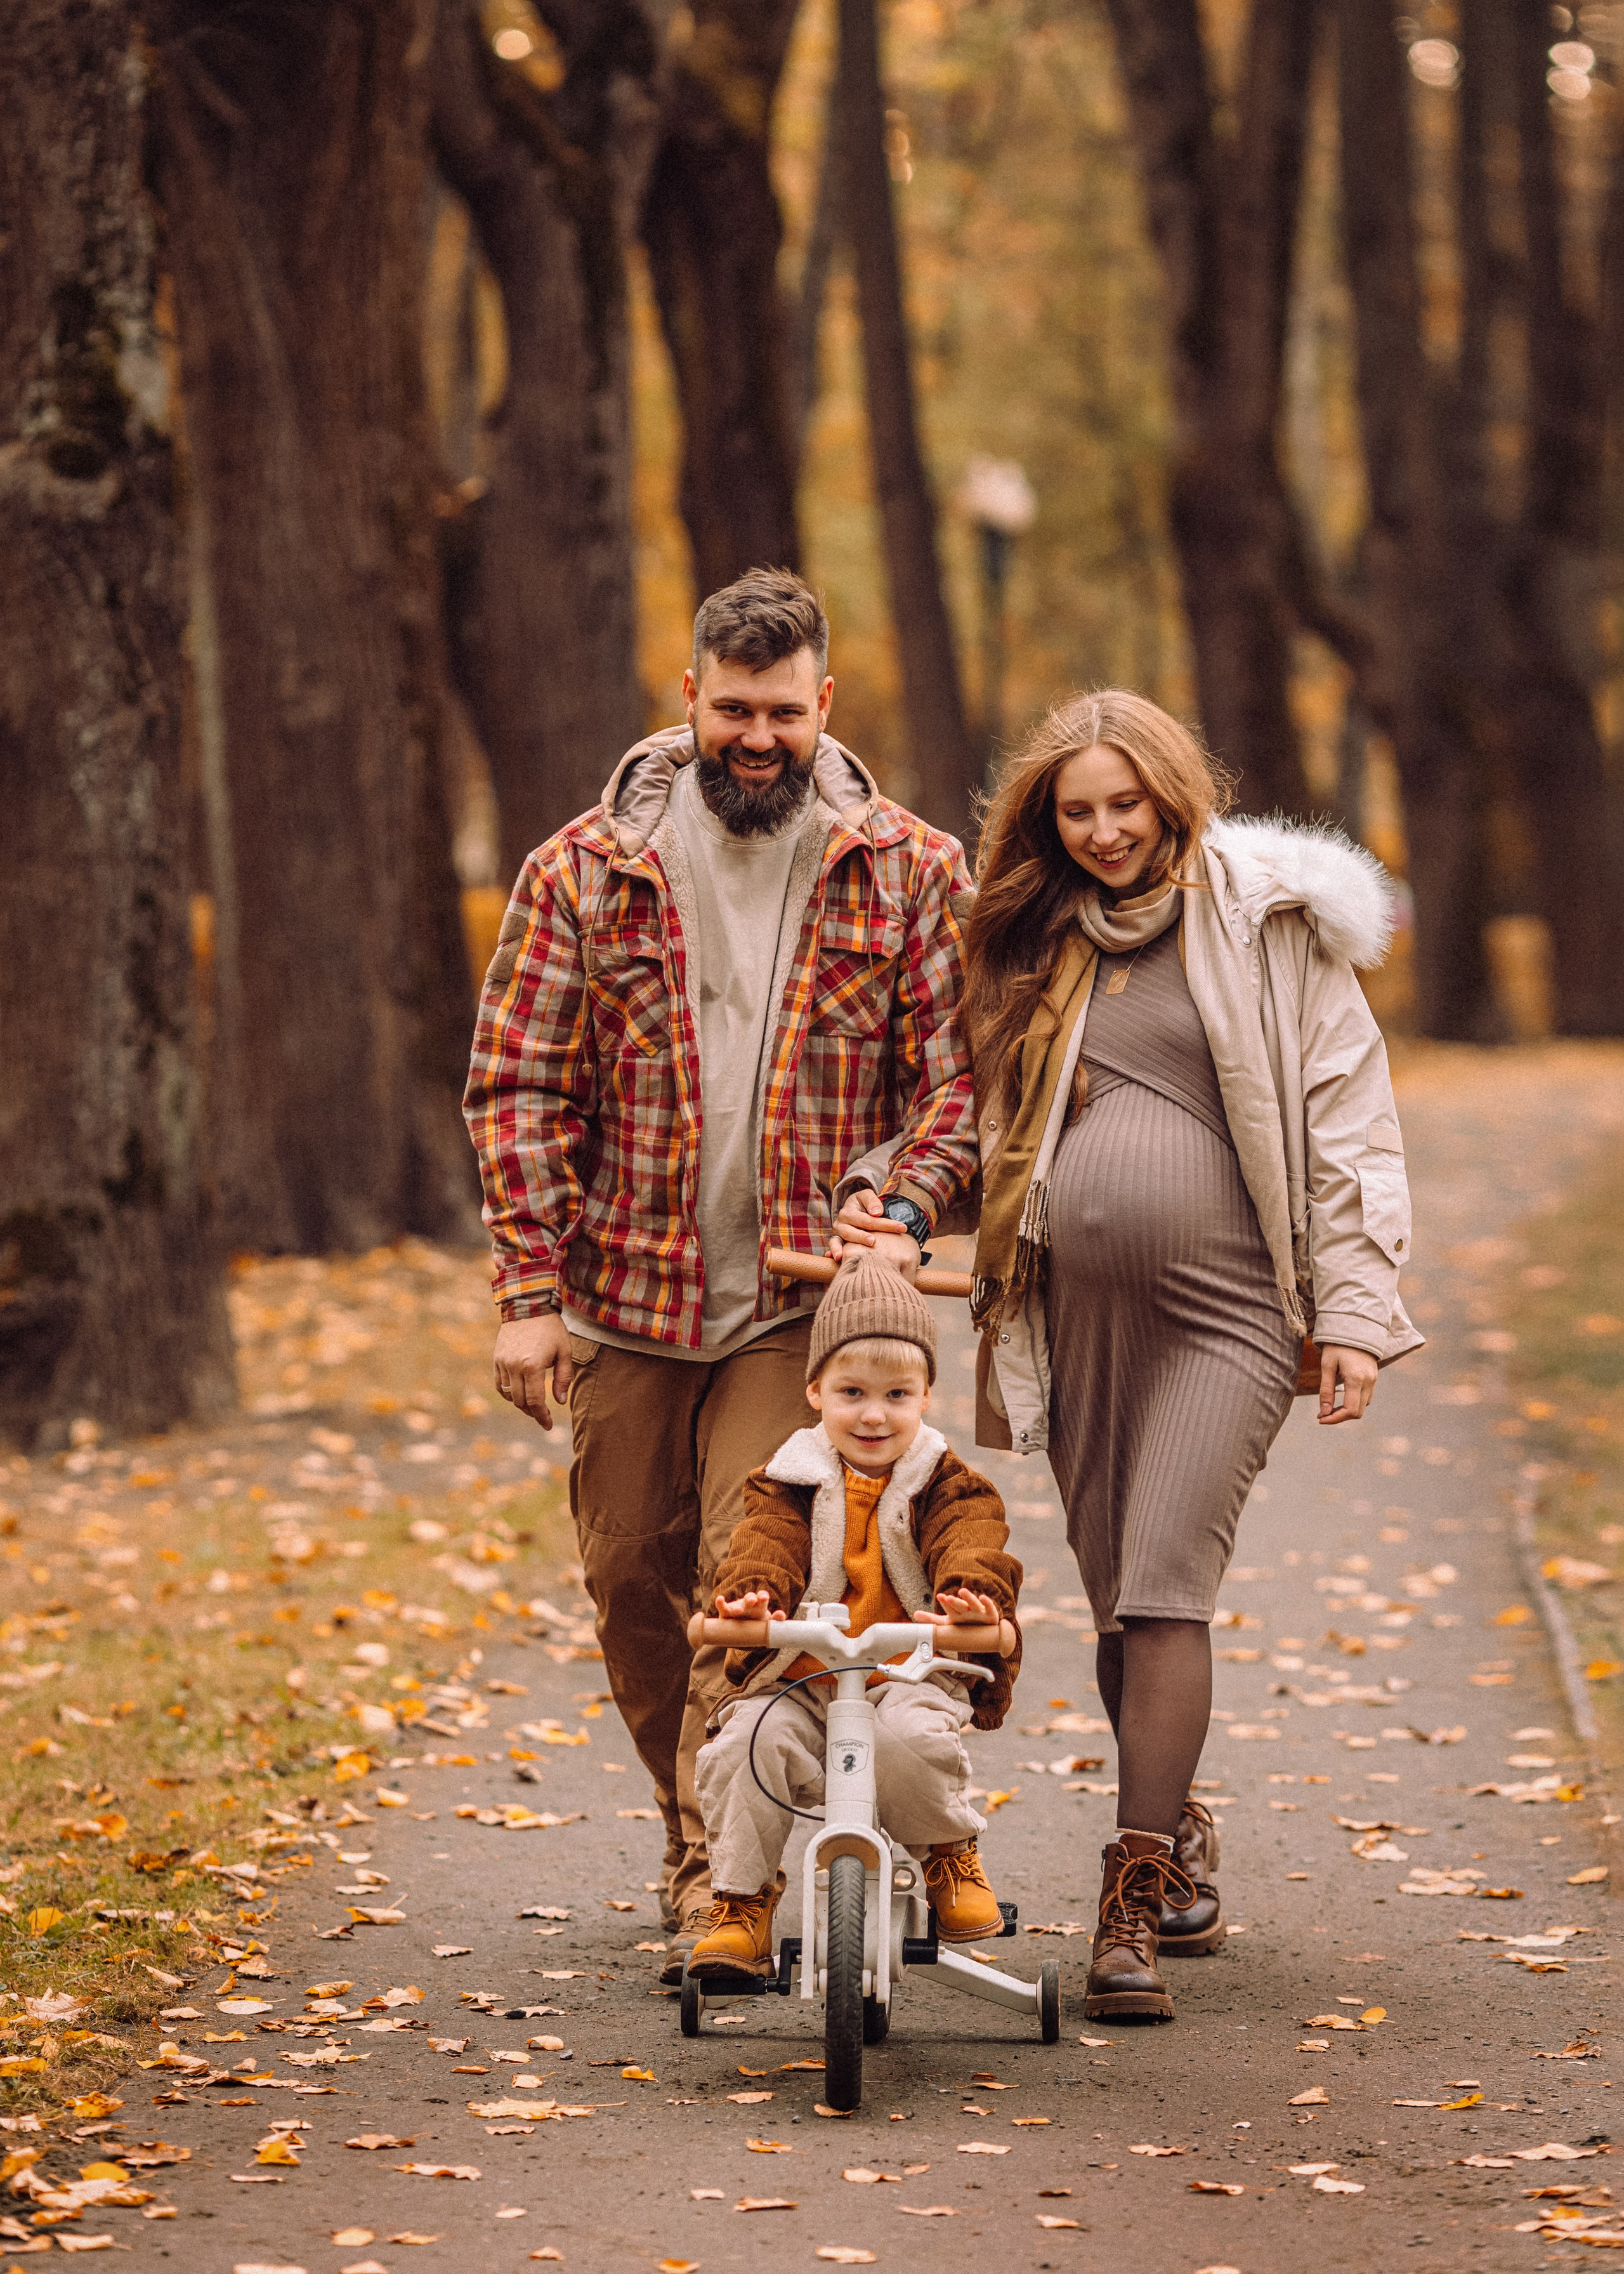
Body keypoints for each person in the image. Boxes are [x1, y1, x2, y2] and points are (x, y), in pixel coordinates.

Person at [463, 569, 977, 1975]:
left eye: (784, 714)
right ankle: (708, 1829)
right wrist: (524, 1293)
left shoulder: (913, 868)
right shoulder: (581, 868)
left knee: (740, 1586)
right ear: (687, 698)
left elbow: (963, 1083)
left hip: (795, 1309)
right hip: (625, 1294)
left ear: (828, 708)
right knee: (631, 1580)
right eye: (733, 710)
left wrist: (901, 1193)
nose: (757, 739)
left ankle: (713, 1886)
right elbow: (514, 1084)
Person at [959, 688, 1422, 2023]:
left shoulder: (1266, 920)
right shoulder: (1033, 939)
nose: (1106, 831)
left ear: (1173, 793)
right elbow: (978, 1117)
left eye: (1126, 803)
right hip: (1078, 1316)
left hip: (1228, 1310)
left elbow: (1347, 1116)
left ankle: (1128, 1901)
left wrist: (1348, 1308)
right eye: (1077, 810)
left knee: (1162, 1585)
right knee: (1118, 1602)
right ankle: (1179, 1825)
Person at [688, 1254, 1022, 1975]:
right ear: (815, 1391)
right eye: (852, 1391)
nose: (874, 1413)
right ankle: (742, 1903)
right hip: (802, 1679)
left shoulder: (948, 1482)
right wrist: (752, 1599)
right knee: (744, 1741)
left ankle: (946, 1853)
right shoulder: (786, 1482)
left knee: (908, 1735)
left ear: (927, 1394)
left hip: (909, 1670)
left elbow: (973, 1545)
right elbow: (764, 1548)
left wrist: (972, 1600)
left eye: (897, 1393)